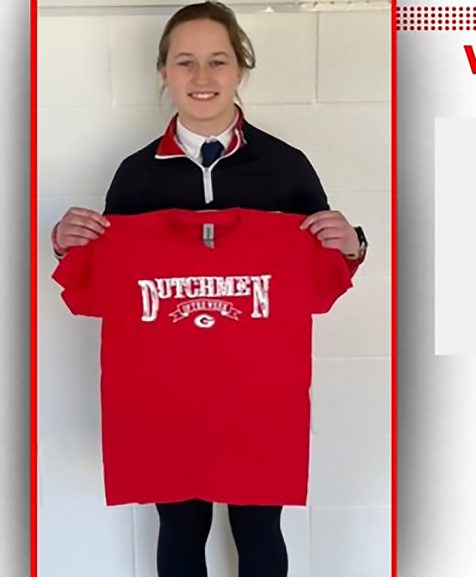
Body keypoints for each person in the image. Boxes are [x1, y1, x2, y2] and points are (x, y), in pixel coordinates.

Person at [49, 3, 367, 576]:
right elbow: (100, 284)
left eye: (218, 61)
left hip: (259, 399)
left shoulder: (285, 167)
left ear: (240, 69)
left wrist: (354, 243)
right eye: (185, 62)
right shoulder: (136, 174)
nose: (202, 77)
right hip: (165, 400)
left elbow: (325, 277)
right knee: (180, 526)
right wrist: (65, 243)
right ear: (164, 71)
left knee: (259, 527)